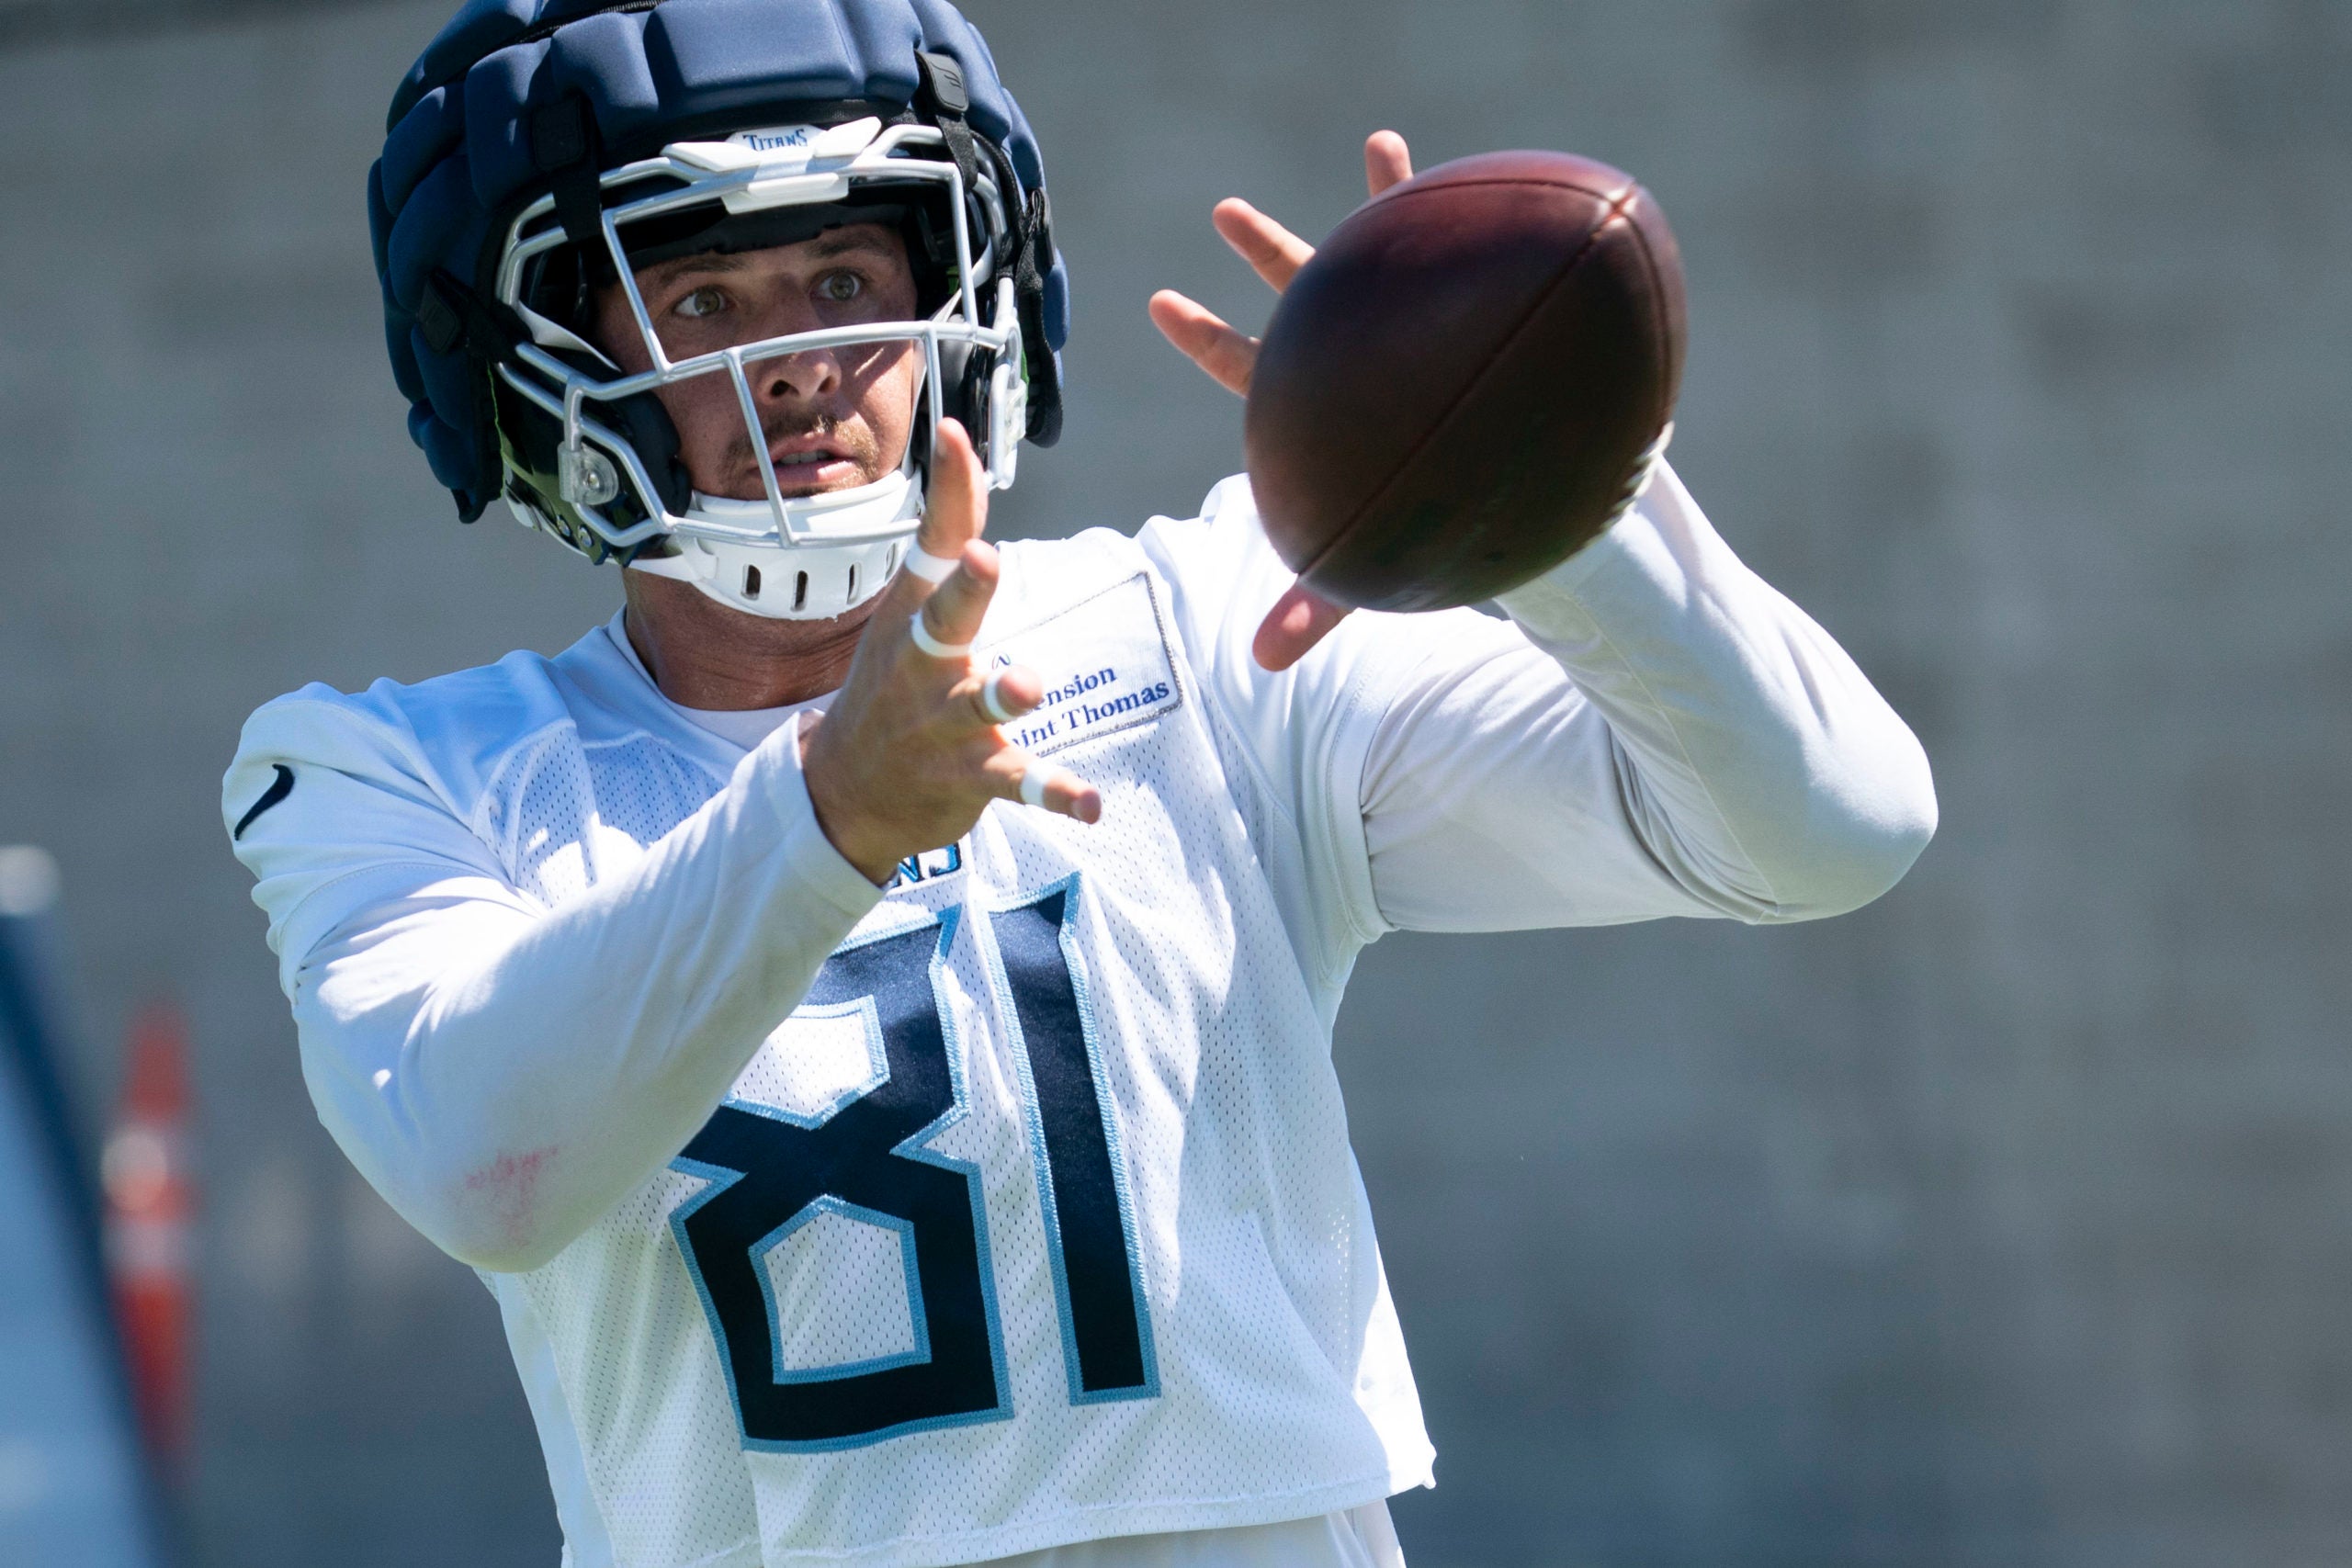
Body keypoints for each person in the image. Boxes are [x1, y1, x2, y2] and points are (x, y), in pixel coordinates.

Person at [221, 2, 1938, 1564]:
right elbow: (481, 1167)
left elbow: (1833, 830)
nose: (803, 358)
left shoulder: (1198, 628)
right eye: (703, 300)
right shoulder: (395, 772)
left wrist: (1554, 508)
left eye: (842, 279)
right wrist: (829, 816)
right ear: (539, 354)